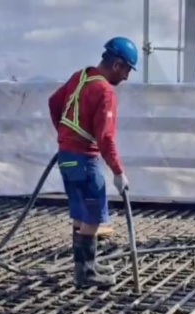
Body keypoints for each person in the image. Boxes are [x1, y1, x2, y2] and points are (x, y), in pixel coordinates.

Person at [48, 37, 135, 288]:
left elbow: (54, 103)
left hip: (66, 158)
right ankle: (85, 273)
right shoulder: (105, 92)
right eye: (127, 70)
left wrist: (65, 136)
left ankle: (86, 267)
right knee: (94, 214)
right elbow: (106, 137)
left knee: (80, 212)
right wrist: (118, 171)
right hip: (85, 159)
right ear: (117, 65)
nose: (127, 77)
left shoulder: (80, 77)